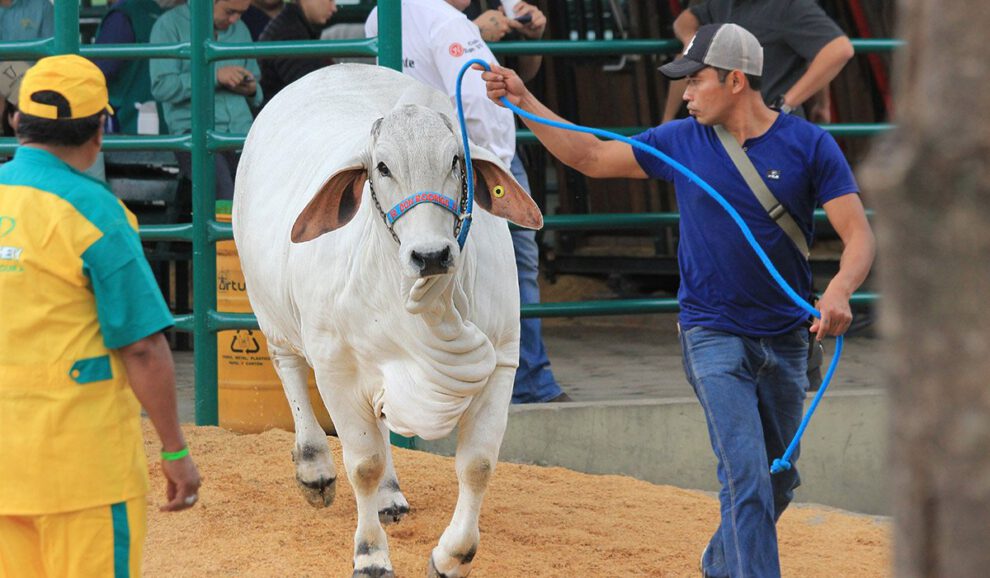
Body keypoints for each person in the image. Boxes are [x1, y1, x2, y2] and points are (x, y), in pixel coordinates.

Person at [479, 23, 875, 577]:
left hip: (787, 337)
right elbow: (591, 157)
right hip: (711, 333)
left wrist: (839, 290)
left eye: (695, 81)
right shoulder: (681, 140)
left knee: (778, 479)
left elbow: (859, 236)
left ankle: (718, 564)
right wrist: (524, 101)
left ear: (735, 81)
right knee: (745, 477)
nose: (685, 93)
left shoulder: (809, 145)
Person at [0, 54, 201, 577]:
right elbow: (143, 347)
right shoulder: (97, 213)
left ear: (16, 121)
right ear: (98, 133)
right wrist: (174, 452)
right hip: (83, 474)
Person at [366, 0, 570, 404]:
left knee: (420, 274)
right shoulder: (449, 23)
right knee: (512, 266)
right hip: (463, 161)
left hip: (407, 172)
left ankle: (434, 380)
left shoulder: (380, 15)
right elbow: (477, 100)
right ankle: (527, 379)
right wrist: (492, 163)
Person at [662, 0, 854, 123]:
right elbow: (685, 20)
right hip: (731, 127)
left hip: (771, 129)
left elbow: (838, 49)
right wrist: (691, 43)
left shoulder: (789, 6)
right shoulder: (725, 4)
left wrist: (785, 105)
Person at [150, 0, 262, 200]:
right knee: (224, 193)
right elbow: (162, 86)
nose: (235, 19)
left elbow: (256, 83)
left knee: (266, 193)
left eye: (241, 13)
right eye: (230, 12)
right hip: (195, 132)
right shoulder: (168, 25)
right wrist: (215, 77)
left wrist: (252, 90)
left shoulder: (241, 28)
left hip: (242, 132)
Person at [93, 0, 186, 135]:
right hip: (134, 125)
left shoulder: (126, 14)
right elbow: (100, 72)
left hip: (173, 125)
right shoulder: (125, 15)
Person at [258, 0, 338, 107]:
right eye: (329, 0)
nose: (334, 8)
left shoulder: (292, 26)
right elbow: (314, 87)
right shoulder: (288, 33)